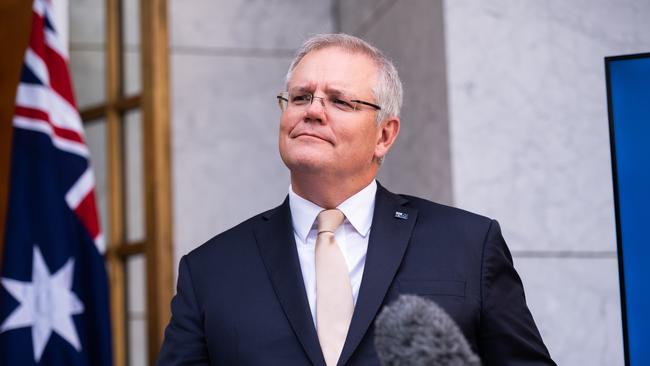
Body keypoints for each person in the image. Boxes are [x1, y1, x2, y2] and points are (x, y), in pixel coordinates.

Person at [157, 33, 555, 366]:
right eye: (299, 97)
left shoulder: (468, 244)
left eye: (340, 100)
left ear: (384, 135)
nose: (313, 111)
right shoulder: (209, 270)